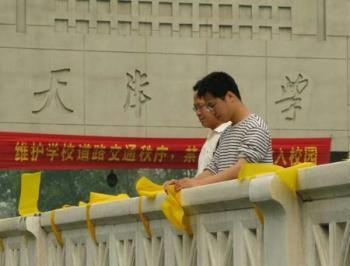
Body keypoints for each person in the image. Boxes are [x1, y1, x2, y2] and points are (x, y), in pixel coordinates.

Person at [171, 72, 273, 191]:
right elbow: (213, 169)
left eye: (212, 105)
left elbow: (242, 168)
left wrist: (198, 184)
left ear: (229, 96)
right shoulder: (227, 132)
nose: (212, 111)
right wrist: (183, 184)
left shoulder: (255, 127)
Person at [193, 90, 231, 176]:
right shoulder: (212, 136)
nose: (197, 113)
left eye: (200, 107)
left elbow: (225, 177)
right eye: (195, 108)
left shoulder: (229, 134)